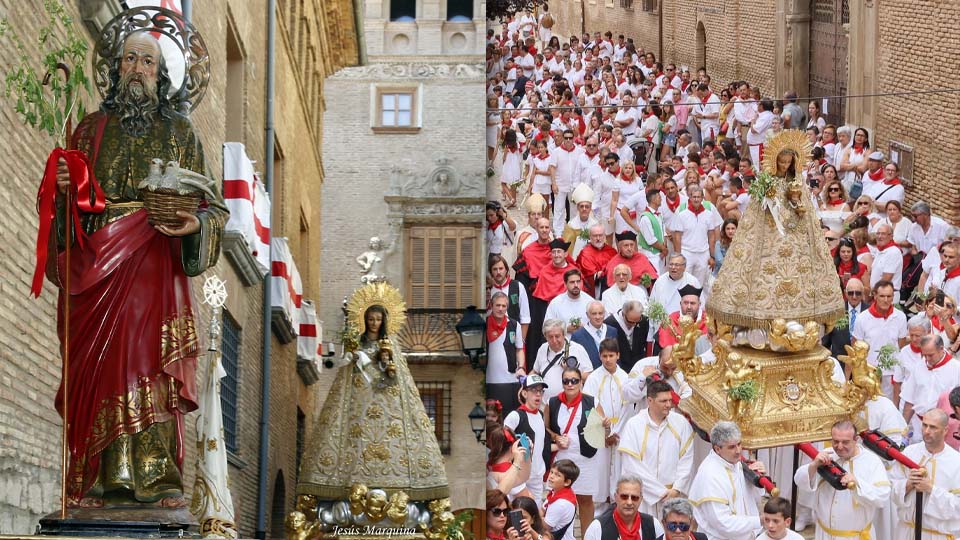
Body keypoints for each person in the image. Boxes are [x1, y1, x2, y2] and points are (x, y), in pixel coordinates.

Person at [52, 31, 228, 506]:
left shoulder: (181, 132)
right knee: (104, 364)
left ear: (160, 72)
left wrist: (195, 221)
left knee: (150, 359)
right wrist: (64, 184)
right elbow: (66, 208)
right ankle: (98, 475)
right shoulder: (89, 129)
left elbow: (214, 206)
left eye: (146, 60)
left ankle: (157, 475)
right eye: (129, 58)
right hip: (99, 265)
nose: (136, 67)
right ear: (116, 68)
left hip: (154, 262)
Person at [299, 289, 448, 501]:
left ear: (384, 321)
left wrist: (388, 365)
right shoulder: (356, 343)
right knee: (357, 439)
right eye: (370, 319)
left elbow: (397, 378)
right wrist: (350, 357)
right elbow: (347, 370)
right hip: (359, 400)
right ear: (364, 320)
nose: (374, 323)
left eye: (378, 319)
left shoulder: (390, 345)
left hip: (386, 401)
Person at [793, 419, 890, 540]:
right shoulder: (827, 454)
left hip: (854, 537)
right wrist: (814, 465)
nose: (839, 447)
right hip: (824, 534)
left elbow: (882, 497)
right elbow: (799, 481)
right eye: (835, 441)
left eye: (845, 442)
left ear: (856, 440)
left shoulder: (872, 462)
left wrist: (857, 484)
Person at [618, 381, 694, 517]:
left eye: (670, 400)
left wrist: (677, 488)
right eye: (663, 401)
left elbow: (686, 460)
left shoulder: (681, 423)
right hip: (645, 498)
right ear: (650, 401)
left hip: (674, 496)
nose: (669, 405)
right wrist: (658, 492)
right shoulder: (634, 425)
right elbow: (632, 465)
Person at [687, 421, 765, 539]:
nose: (738, 451)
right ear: (717, 449)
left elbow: (752, 498)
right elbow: (723, 524)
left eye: (739, 444)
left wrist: (758, 478)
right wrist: (758, 521)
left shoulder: (732, 461)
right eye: (732, 447)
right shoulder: (710, 476)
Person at [891, 409, 960, 539]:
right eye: (924, 425)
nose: (927, 431)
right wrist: (908, 484)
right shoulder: (908, 453)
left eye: (933, 427)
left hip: (937, 535)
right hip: (905, 532)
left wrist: (930, 489)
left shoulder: (956, 462)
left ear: (945, 430)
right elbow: (891, 488)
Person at [545, 372, 599, 535]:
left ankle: (587, 537)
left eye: (574, 380)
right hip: (562, 456)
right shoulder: (552, 402)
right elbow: (545, 428)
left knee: (585, 499)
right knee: (561, 496)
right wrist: (556, 437)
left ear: (581, 382)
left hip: (586, 456)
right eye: (566, 381)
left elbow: (601, 430)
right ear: (562, 382)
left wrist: (604, 426)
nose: (570, 384)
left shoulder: (592, 401)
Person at [583, 339, 631, 506]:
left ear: (618, 355)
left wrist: (617, 431)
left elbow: (628, 407)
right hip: (600, 431)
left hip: (621, 431)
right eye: (604, 356)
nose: (608, 359)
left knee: (619, 469)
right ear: (600, 356)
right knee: (600, 471)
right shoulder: (594, 378)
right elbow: (591, 405)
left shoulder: (625, 377)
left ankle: (618, 502)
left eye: (611, 355)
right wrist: (605, 433)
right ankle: (599, 506)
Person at [851, 280, 908, 399]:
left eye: (889, 296)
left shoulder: (901, 317)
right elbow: (855, 347)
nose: (885, 300)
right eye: (882, 296)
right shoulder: (862, 318)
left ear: (893, 297)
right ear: (875, 296)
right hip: (869, 374)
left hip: (892, 374)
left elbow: (901, 346)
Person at [504, 375, 553, 501]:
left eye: (540, 391)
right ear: (525, 393)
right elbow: (502, 442)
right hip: (519, 476)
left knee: (535, 512)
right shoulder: (515, 416)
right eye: (534, 391)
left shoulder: (540, 415)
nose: (538, 395)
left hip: (537, 475)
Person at [901, 335, 960, 434]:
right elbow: (909, 400)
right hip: (918, 425)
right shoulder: (919, 366)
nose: (927, 359)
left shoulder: (956, 368)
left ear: (941, 349)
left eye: (931, 355)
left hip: (945, 429)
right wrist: (903, 428)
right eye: (924, 355)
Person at [583, 476, 664, 540]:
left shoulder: (653, 525)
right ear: (615, 497)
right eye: (624, 497)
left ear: (641, 500)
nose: (629, 502)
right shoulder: (597, 528)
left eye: (634, 497)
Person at [670, 185, 721, 287]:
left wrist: (712, 256)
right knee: (684, 282)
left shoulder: (709, 214)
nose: (696, 199)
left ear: (702, 198)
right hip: (686, 252)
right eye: (694, 197)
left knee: (700, 283)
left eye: (698, 197)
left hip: (703, 253)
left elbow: (711, 236)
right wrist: (678, 255)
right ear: (690, 198)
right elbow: (677, 237)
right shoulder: (682, 215)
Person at [532, 319, 594, 402]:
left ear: (564, 335)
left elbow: (590, 377)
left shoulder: (577, 349)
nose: (554, 340)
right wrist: (524, 385)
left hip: (571, 405)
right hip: (545, 405)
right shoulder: (542, 348)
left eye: (557, 336)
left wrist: (571, 371)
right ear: (545, 336)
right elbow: (535, 371)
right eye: (550, 337)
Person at [488, 292, 527, 414]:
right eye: (497, 305)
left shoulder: (514, 325)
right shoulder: (485, 322)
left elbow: (519, 349)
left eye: (503, 306)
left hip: (510, 380)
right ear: (491, 305)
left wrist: (521, 367)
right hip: (490, 381)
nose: (500, 309)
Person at [822, 278, 868, 372]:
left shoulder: (869, 312)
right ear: (845, 293)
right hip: (839, 366)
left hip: (864, 367)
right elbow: (826, 342)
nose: (854, 297)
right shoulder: (836, 312)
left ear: (863, 293)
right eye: (851, 293)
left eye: (858, 293)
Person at [490, 254, 532, 340]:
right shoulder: (488, 289)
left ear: (506, 270)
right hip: (492, 336)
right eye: (495, 269)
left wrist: (521, 341)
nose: (498, 272)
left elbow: (525, 317)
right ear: (491, 272)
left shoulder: (518, 286)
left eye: (501, 268)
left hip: (513, 336)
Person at [545, 268, 596, 336]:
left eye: (578, 281)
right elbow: (546, 328)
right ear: (565, 284)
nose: (576, 285)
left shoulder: (590, 302)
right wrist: (565, 329)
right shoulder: (556, 303)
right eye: (572, 282)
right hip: (563, 344)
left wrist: (585, 329)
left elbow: (599, 325)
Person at [487, 423, 532, 500]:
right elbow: (524, 479)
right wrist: (526, 452)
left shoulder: (490, 464)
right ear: (513, 446)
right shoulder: (508, 470)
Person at [572, 301, 618, 369]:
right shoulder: (578, 336)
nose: (598, 317)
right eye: (594, 314)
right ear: (587, 315)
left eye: (600, 313)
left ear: (604, 313)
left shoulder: (612, 331)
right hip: (589, 376)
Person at [577, 224, 618, 298]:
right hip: (595, 289)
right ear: (590, 237)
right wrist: (596, 275)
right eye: (595, 236)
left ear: (604, 236)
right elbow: (585, 274)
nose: (598, 238)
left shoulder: (612, 251)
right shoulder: (585, 253)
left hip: (613, 287)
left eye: (600, 235)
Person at [562, 183, 600, 259]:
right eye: (581, 206)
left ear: (590, 208)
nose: (584, 209)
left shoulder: (596, 225)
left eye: (587, 206)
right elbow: (567, 248)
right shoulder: (571, 226)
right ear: (577, 208)